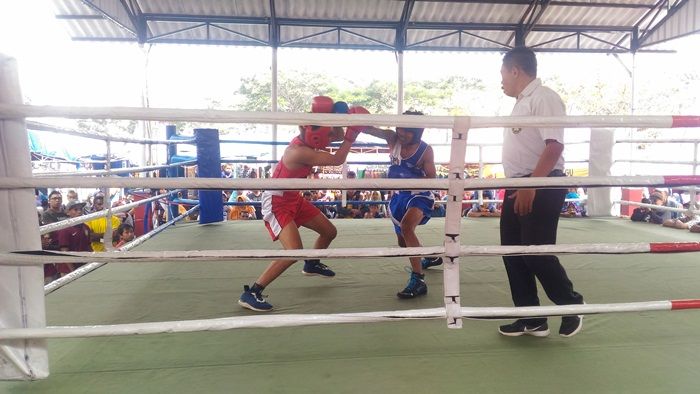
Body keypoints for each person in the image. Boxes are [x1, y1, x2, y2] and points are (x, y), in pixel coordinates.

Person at [238, 96, 362, 311]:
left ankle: (312, 263)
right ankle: (252, 292)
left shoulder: (309, 134)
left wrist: (338, 119)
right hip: (277, 202)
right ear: (315, 134)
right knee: (293, 251)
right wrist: (352, 136)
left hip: (294, 197)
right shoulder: (299, 151)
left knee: (329, 232)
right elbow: (336, 160)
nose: (332, 137)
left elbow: (335, 135)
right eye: (328, 132)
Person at [497, 47, 584, 338]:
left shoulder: (544, 97)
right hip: (517, 184)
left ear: (515, 70)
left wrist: (531, 184)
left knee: (536, 251)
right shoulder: (522, 102)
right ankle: (531, 317)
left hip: (540, 183)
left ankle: (571, 305)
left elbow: (554, 145)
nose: (501, 81)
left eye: (502, 73)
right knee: (512, 253)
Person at [363, 110, 442, 298]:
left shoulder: (425, 150)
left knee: (407, 228)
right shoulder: (392, 138)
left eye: (407, 130)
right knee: (402, 242)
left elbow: (432, 178)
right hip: (399, 196)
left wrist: (413, 183)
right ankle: (426, 258)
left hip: (419, 195)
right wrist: (354, 118)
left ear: (416, 132)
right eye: (400, 127)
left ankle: (418, 280)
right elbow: (370, 129)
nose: (402, 133)